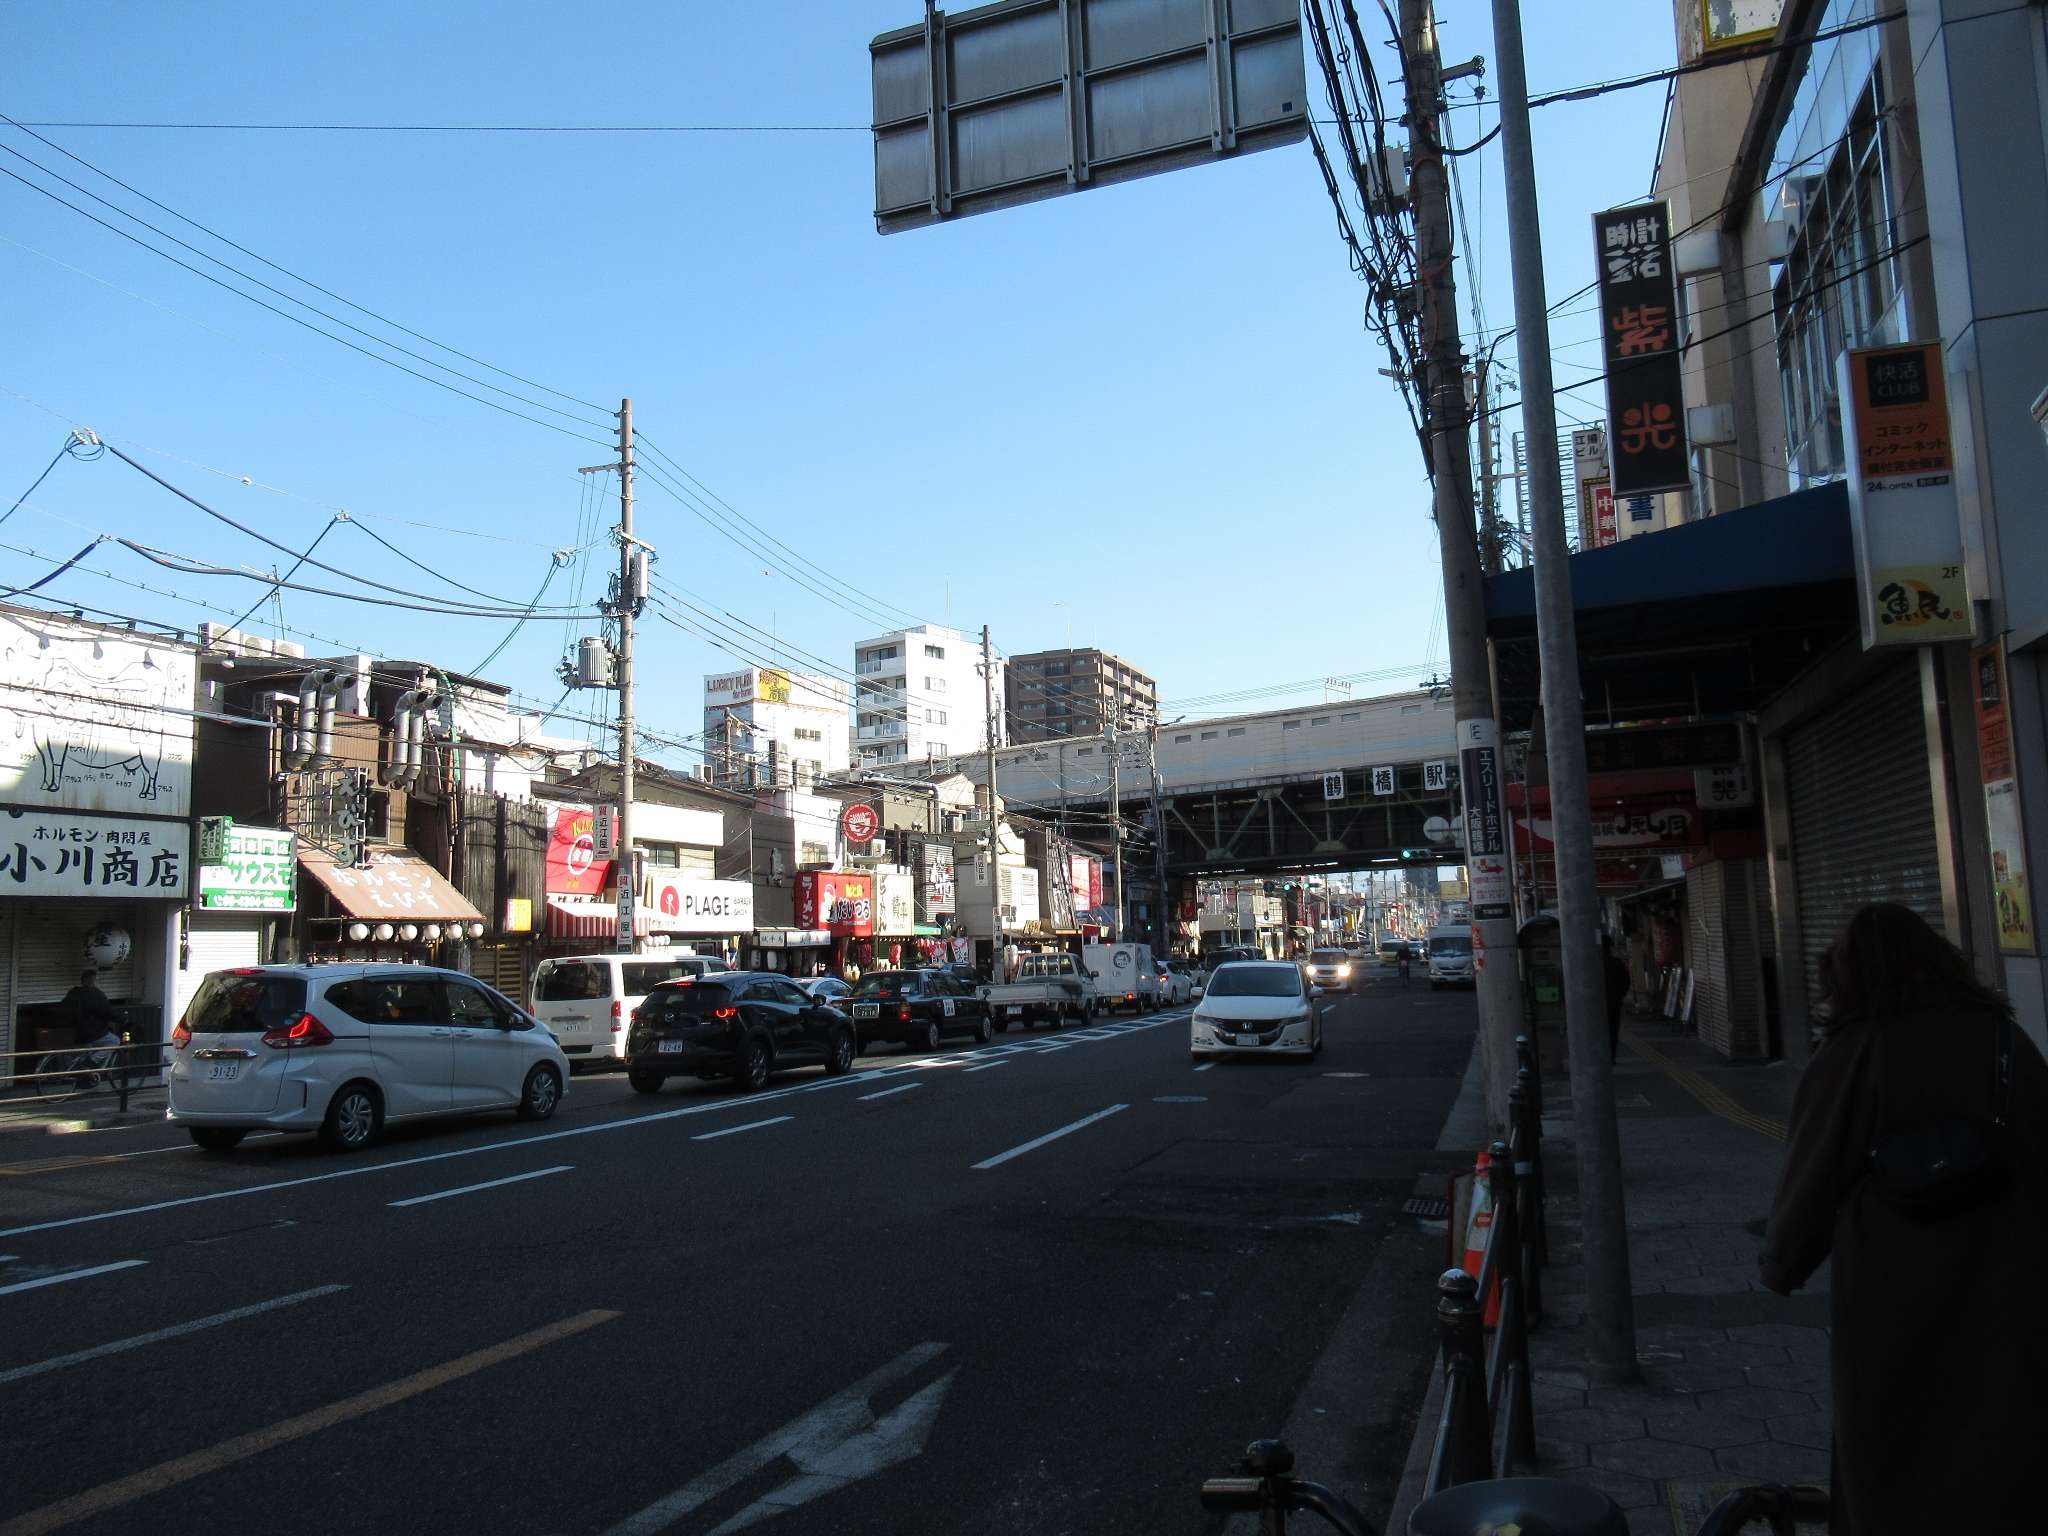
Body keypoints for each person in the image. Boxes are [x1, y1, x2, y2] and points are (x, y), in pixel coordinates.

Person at [1760, 903, 2048, 1532]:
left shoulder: (1858, 1049)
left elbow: (1813, 1170)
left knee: (1896, 1461)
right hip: (2012, 1293)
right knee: (2004, 1450)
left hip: (1894, 1301)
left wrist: (1782, 1262)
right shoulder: (2006, 1039)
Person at [62, 968, 120, 1049]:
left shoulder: (73, 993)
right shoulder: (95, 994)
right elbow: (108, 1012)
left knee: (84, 1051)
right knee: (114, 1040)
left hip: (76, 1032)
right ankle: (95, 1057)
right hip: (93, 1032)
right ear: (92, 981)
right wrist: (123, 1019)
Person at [1603, 943, 1629, 1062]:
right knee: (1613, 1030)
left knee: (1599, 1030)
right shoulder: (1617, 963)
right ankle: (1611, 1056)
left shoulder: (1592, 963)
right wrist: (1620, 996)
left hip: (1597, 1005)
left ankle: (1602, 1055)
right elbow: (1626, 982)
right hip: (1614, 1003)